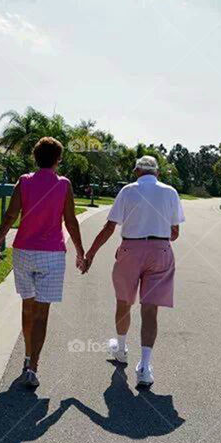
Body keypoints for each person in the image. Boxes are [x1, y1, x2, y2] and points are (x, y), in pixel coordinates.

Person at [80, 155, 184, 388]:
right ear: (157, 173)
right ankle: (145, 367)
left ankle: (121, 348)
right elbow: (175, 232)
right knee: (150, 310)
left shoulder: (127, 191)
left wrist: (90, 254)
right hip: (160, 251)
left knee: (124, 302)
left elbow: (109, 227)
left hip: (129, 249)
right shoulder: (170, 192)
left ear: (137, 171)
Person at [0, 137, 85, 388]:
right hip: (52, 255)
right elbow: (71, 221)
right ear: (58, 159)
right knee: (42, 314)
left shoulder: (24, 181)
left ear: (35, 157)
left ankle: (27, 356)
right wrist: (80, 252)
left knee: (27, 307)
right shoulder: (64, 184)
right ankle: (33, 367)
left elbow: (11, 216)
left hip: (23, 251)